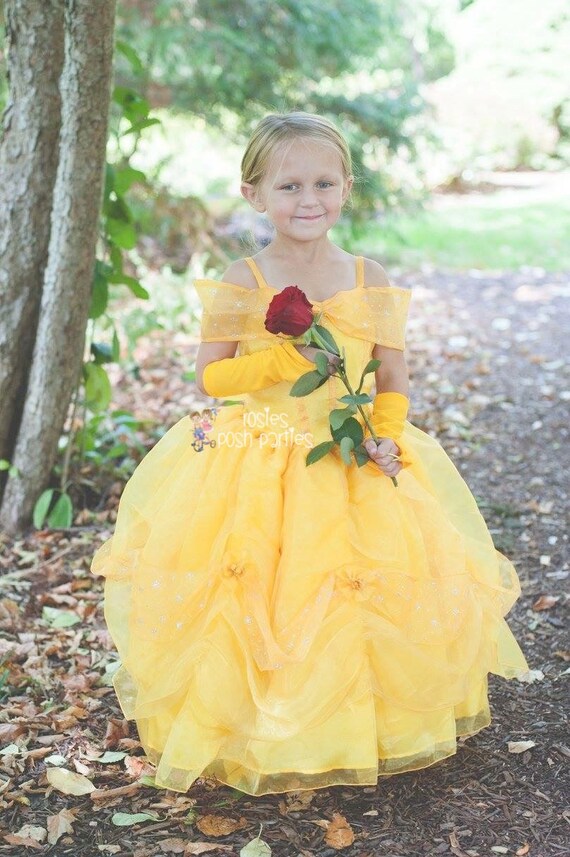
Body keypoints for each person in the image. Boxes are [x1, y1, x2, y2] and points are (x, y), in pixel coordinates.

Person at [91, 111, 530, 797]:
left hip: (349, 451)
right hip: (260, 455)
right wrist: (282, 360)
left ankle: (360, 725)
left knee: (360, 589)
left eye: (324, 183)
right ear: (254, 194)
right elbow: (210, 376)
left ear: (346, 187)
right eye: (289, 185)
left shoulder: (366, 274)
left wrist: (386, 433)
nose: (308, 199)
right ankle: (264, 726)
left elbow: (393, 377)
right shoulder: (244, 277)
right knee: (261, 589)